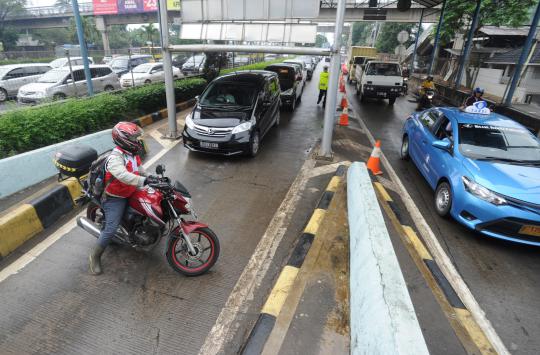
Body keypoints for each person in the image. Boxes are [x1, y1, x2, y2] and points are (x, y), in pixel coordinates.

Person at [88, 122, 157, 275]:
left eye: (136, 138)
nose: (136, 141)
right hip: (115, 197)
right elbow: (123, 175)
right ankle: (95, 256)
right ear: (123, 139)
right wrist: (143, 181)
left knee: (153, 201)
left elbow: (139, 169)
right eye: (133, 138)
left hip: (130, 191)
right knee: (110, 229)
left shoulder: (131, 154)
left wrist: (153, 177)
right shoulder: (115, 158)